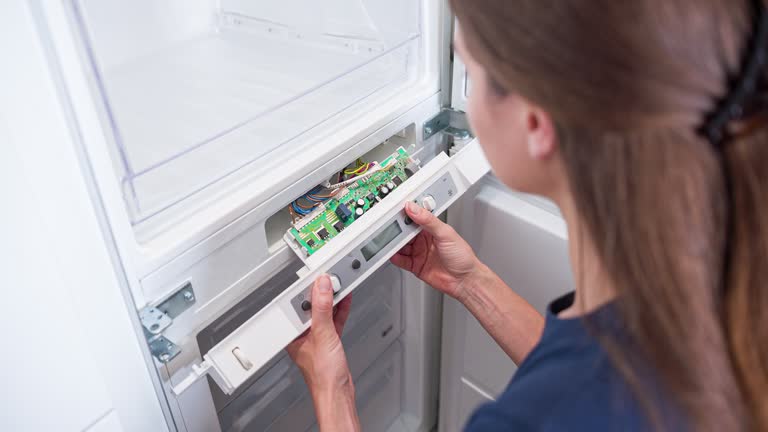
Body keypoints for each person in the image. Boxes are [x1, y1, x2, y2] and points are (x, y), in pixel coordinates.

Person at [286, 0, 768, 430]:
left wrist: (334, 389)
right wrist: (471, 282)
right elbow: (592, 370)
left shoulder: (526, 420)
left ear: (535, 122)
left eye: (468, 67)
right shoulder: (720, 280)